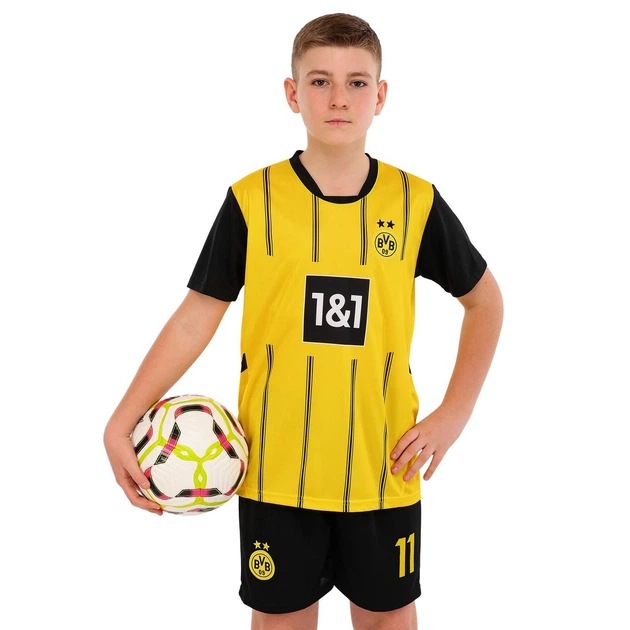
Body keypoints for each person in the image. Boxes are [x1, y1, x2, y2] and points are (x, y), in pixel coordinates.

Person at [104, 12, 503, 630]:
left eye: (357, 82)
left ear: (381, 96)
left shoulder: (415, 203)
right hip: (275, 471)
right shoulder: (252, 200)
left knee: (387, 619)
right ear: (292, 94)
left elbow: (485, 302)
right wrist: (122, 419)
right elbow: (195, 317)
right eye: (320, 81)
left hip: (382, 469)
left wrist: (455, 412)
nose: (339, 98)